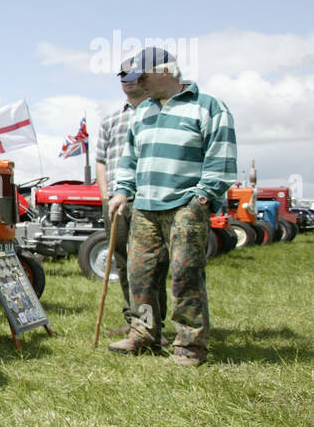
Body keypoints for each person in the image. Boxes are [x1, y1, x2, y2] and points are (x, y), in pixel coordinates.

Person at [106, 47, 237, 365]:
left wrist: (203, 197)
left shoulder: (208, 107)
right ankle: (144, 333)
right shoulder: (142, 112)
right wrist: (122, 191)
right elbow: (130, 159)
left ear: (167, 71)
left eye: (144, 77)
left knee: (185, 275)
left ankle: (190, 345)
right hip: (145, 207)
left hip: (186, 205)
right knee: (140, 275)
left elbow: (221, 156)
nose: (139, 84)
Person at [95, 70, 162, 336]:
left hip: (147, 198)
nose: (128, 80)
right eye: (123, 75)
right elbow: (100, 160)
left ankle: (155, 323)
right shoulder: (111, 119)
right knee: (123, 260)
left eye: (134, 75)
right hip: (115, 200)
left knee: (152, 261)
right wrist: (105, 195)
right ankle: (133, 319)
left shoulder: (158, 115)